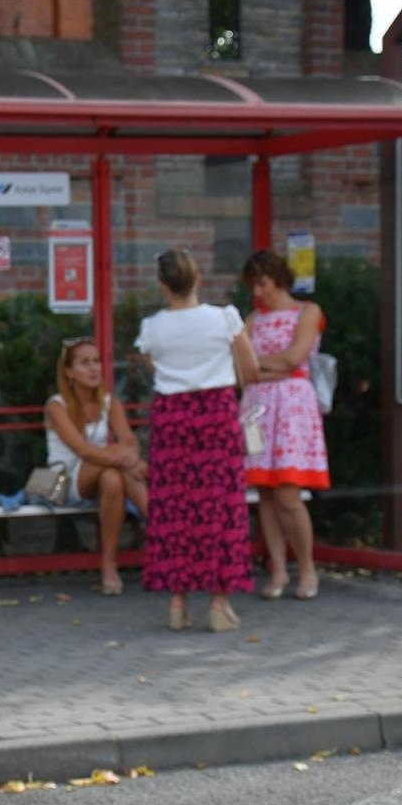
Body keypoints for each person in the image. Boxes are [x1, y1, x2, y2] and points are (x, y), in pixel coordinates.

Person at [135, 248, 259, 632]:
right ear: (197, 278)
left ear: (162, 285)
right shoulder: (224, 318)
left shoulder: (152, 326)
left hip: (172, 416)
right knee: (220, 506)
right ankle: (219, 604)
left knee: (175, 507)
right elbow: (251, 368)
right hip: (216, 413)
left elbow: (152, 364)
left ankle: (177, 602)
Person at [239, 249, 331, 600]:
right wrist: (268, 367)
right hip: (255, 411)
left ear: (278, 278)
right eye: (253, 286)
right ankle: (277, 568)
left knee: (288, 492)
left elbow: (296, 356)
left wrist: (259, 366)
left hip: (291, 409)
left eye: (261, 284)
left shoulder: (307, 312)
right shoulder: (251, 319)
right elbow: (241, 369)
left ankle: (306, 567)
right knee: (263, 490)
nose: (257, 293)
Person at [44, 336, 148, 596]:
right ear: (69, 372)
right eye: (84, 363)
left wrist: (127, 455)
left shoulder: (109, 402)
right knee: (114, 463)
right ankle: (161, 529)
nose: (93, 368)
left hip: (99, 474)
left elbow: (130, 441)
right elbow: (81, 449)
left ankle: (108, 565)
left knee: (113, 478)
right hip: (61, 480)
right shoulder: (57, 405)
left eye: (96, 361)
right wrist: (124, 456)